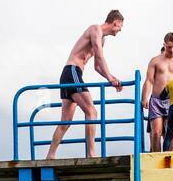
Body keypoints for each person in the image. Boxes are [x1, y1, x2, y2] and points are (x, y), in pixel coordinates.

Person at [44, 10, 126, 160]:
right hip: (72, 72)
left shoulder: (102, 40)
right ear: (116, 22)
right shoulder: (95, 29)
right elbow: (100, 57)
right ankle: (91, 153)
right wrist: (110, 79)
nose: (120, 29)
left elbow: (97, 65)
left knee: (66, 122)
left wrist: (112, 77)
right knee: (91, 112)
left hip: (71, 75)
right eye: (121, 26)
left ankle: (50, 156)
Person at [140, 33, 173, 153]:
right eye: (169, 47)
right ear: (164, 44)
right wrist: (144, 98)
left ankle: (170, 160)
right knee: (156, 133)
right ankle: (156, 159)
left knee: (171, 133)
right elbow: (149, 80)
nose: (172, 49)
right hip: (156, 100)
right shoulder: (155, 61)